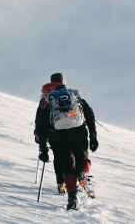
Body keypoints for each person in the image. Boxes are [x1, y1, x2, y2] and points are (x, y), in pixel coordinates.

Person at [34, 72, 98, 210]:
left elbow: (41, 125)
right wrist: (93, 136)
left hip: (59, 135)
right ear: (63, 82)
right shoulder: (73, 94)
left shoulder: (47, 98)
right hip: (79, 130)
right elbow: (89, 113)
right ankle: (83, 174)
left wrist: (43, 148)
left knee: (68, 165)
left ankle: (72, 199)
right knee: (82, 158)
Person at [34, 80, 66, 195]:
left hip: (51, 133)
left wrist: (42, 145)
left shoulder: (45, 97)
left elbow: (40, 121)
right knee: (70, 156)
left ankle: (61, 183)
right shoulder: (66, 94)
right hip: (68, 131)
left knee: (58, 156)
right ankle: (72, 180)